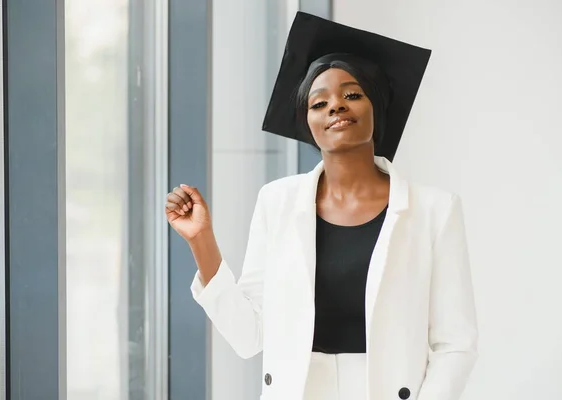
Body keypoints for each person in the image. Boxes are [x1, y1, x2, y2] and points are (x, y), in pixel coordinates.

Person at [165, 12, 478, 400]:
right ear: (307, 120)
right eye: (319, 102)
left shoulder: (435, 210)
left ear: (375, 106)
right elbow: (249, 336)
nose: (335, 107)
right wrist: (201, 241)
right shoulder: (277, 202)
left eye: (352, 94)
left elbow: (455, 344)